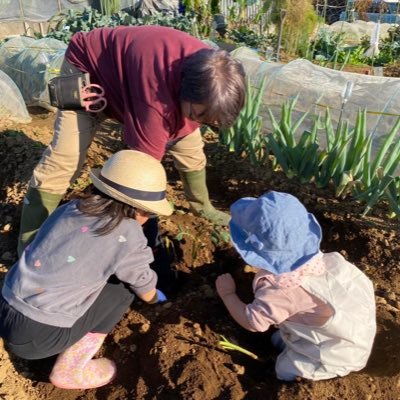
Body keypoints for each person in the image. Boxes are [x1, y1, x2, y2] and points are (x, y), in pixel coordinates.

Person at [18, 25, 246, 255]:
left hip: (135, 76)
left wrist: (197, 118)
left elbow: (193, 121)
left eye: (207, 120)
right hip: (90, 72)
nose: (200, 122)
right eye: (198, 116)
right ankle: (30, 244)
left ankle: (201, 205)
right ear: (184, 93)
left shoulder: (211, 73)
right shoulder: (156, 96)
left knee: (191, 150)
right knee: (65, 158)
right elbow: (138, 170)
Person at [0, 150, 172, 390]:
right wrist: (157, 299)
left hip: (7, 304)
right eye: (149, 213)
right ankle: (71, 368)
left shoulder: (70, 208)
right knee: (123, 290)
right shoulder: (129, 234)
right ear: (138, 210)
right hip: (39, 338)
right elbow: (143, 286)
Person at [216, 191, 376, 381]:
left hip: (332, 354)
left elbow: (254, 323)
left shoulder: (281, 291)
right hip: (349, 328)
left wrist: (228, 295)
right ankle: (293, 343)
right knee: (279, 339)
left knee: (284, 368)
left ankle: (291, 380)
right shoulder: (328, 261)